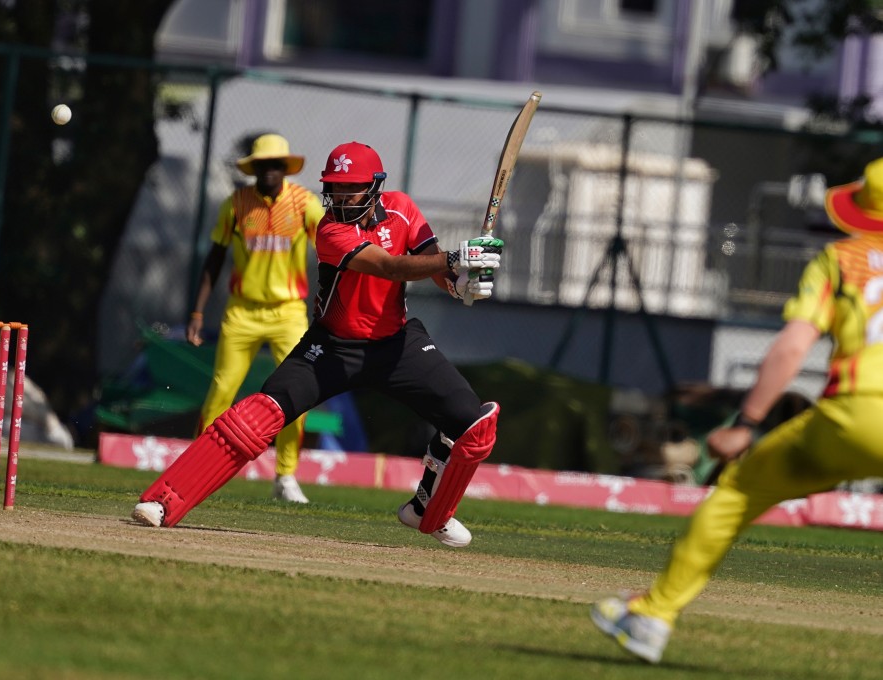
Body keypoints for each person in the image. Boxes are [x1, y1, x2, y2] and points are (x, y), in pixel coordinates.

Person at [133, 141, 504, 547]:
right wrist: (455, 259)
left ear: (376, 187)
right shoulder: (330, 230)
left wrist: (460, 283)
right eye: (335, 188)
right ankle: (166, 500)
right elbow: (390, 267)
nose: (341, 197)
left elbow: (429, 261)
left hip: (396, 343)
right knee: (261, 413)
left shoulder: (402, 208)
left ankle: (428, 510)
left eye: (352, 188)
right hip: (333, 348)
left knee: (475, 426)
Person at [591, 158, 883, 663]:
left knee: (738, 492)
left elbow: (793, 348)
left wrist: (745, 424)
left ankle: (652, 616)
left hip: (856, 418)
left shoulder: (840, 260)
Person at [186, 133, 324, 503]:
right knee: (221, 391)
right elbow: (214, 258)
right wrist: (198, 310)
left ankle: (285, 475)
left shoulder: (305, 204)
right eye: (262, 165)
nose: (268, 172)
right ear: (254, 169)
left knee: (297, 395)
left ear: (285, 168)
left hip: (288, 313)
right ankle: (196, 470)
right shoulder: (236, 204)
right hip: (242, 310)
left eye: (275, 165)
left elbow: (333, 248)